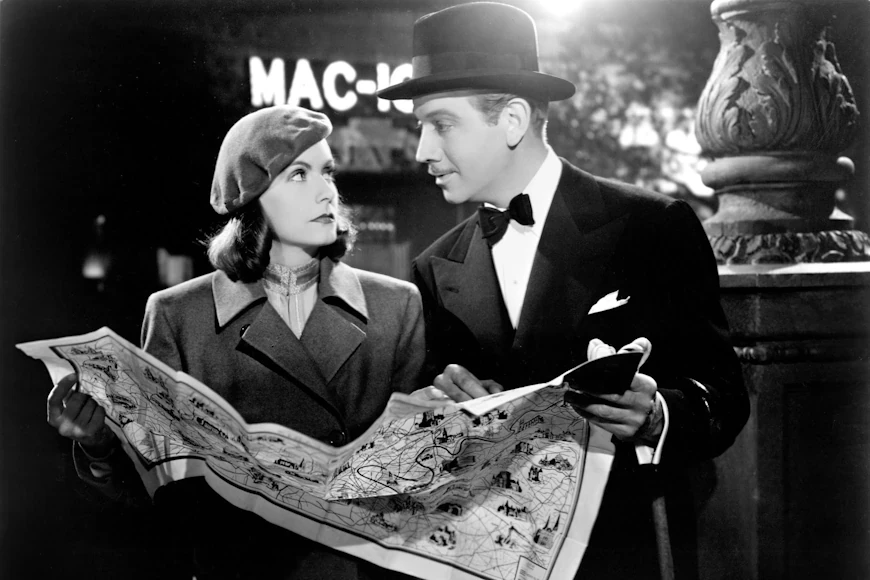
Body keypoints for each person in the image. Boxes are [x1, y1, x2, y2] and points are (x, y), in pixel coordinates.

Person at [377, 3, 749, 579]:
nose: (423, 149)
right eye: (420, 126)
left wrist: (655, 415)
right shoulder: (434, 267)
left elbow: (724, 395)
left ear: (512, 120)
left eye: (441, 124)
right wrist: (449, 414)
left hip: (621, 557)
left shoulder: (651, 226)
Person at [46, 105, 424, 580]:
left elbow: (420, 476)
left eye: (327, 172)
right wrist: (99, 443)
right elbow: (156, 485)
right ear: (250, 198)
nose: (327, 190)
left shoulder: (396, 306)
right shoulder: (179, 315)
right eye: (299, 174)